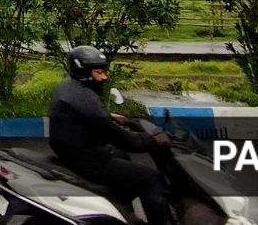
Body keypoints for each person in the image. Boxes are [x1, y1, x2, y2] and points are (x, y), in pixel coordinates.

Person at [48, 45, 175, 225]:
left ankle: (123, 210)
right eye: (99, 73)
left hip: (73, 151)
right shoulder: (86, 99)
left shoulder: (68, 87)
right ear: (83, 71)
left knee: (122, 159)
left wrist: (109, 116)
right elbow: (121, 138)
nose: (104, 77)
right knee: (150, 178)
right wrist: (152, 140)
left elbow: (83, 115)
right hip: (87, 159)